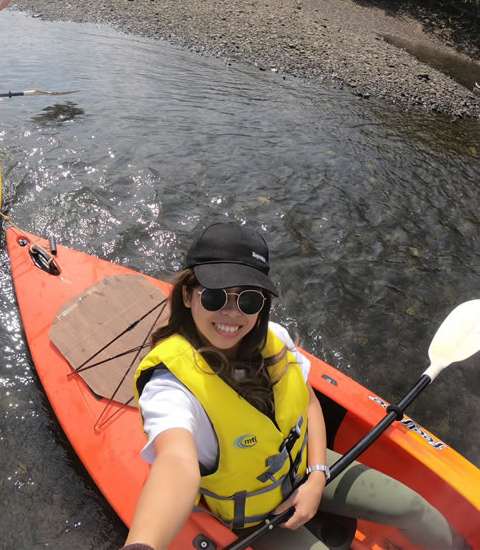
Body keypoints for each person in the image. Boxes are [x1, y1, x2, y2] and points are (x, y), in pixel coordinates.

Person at [123, 222, 465, 550]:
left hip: (305, 468)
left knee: (415, 510)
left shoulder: (276, 340)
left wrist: (317, 476)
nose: (232, 313)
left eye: (248, 300)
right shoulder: (170, 387)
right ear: (187, 295)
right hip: (255, 517)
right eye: (215, 296)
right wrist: (142, 546)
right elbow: (177, 463)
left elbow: (309, 404)